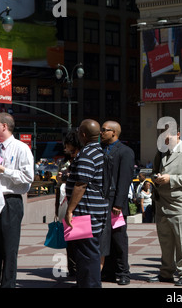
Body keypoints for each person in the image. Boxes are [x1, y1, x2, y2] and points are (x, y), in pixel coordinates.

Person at [148, 124, 182, 286]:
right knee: (165, 242)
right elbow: (154, 171)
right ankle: (166, 272)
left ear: (178, 134)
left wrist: (171, 179)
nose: (164, 139)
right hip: (162, 204)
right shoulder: (162, 152)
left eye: (167, 135)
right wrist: (155, 177)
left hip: (180, 204)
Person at [0, 113, 34, 288]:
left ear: (4, 127)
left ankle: (8, 284)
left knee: (9, 248)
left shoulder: (21, 148)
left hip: (10, 202)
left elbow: (28, 177)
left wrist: (4, 170)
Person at [64, 119, 107, 288]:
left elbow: (81, 184)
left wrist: (70, 210)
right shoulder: (99, 151)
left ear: (83, 134)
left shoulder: (87, 155)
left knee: (86, 253)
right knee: (87, 252)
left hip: (86, 210)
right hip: (95, 208)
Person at [100, 121, 135, 286]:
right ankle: (108, 270)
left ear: (113, 132)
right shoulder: (99, 149)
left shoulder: (125, 152)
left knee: (119, 239)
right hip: (101, 202)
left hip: (116, 203)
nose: (101, 132)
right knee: (104, 238)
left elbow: (125, 179)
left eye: (104, 130)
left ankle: (123, 272)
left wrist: (119, 204)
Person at [57, 130, 84, 278]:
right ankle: (73, 268)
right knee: (70, 239)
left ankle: (78, 269)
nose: (66, 149)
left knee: (79, 239)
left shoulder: (82, 158)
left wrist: (67, 176)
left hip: (77, 204)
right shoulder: (65, 160)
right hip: (65, 201)